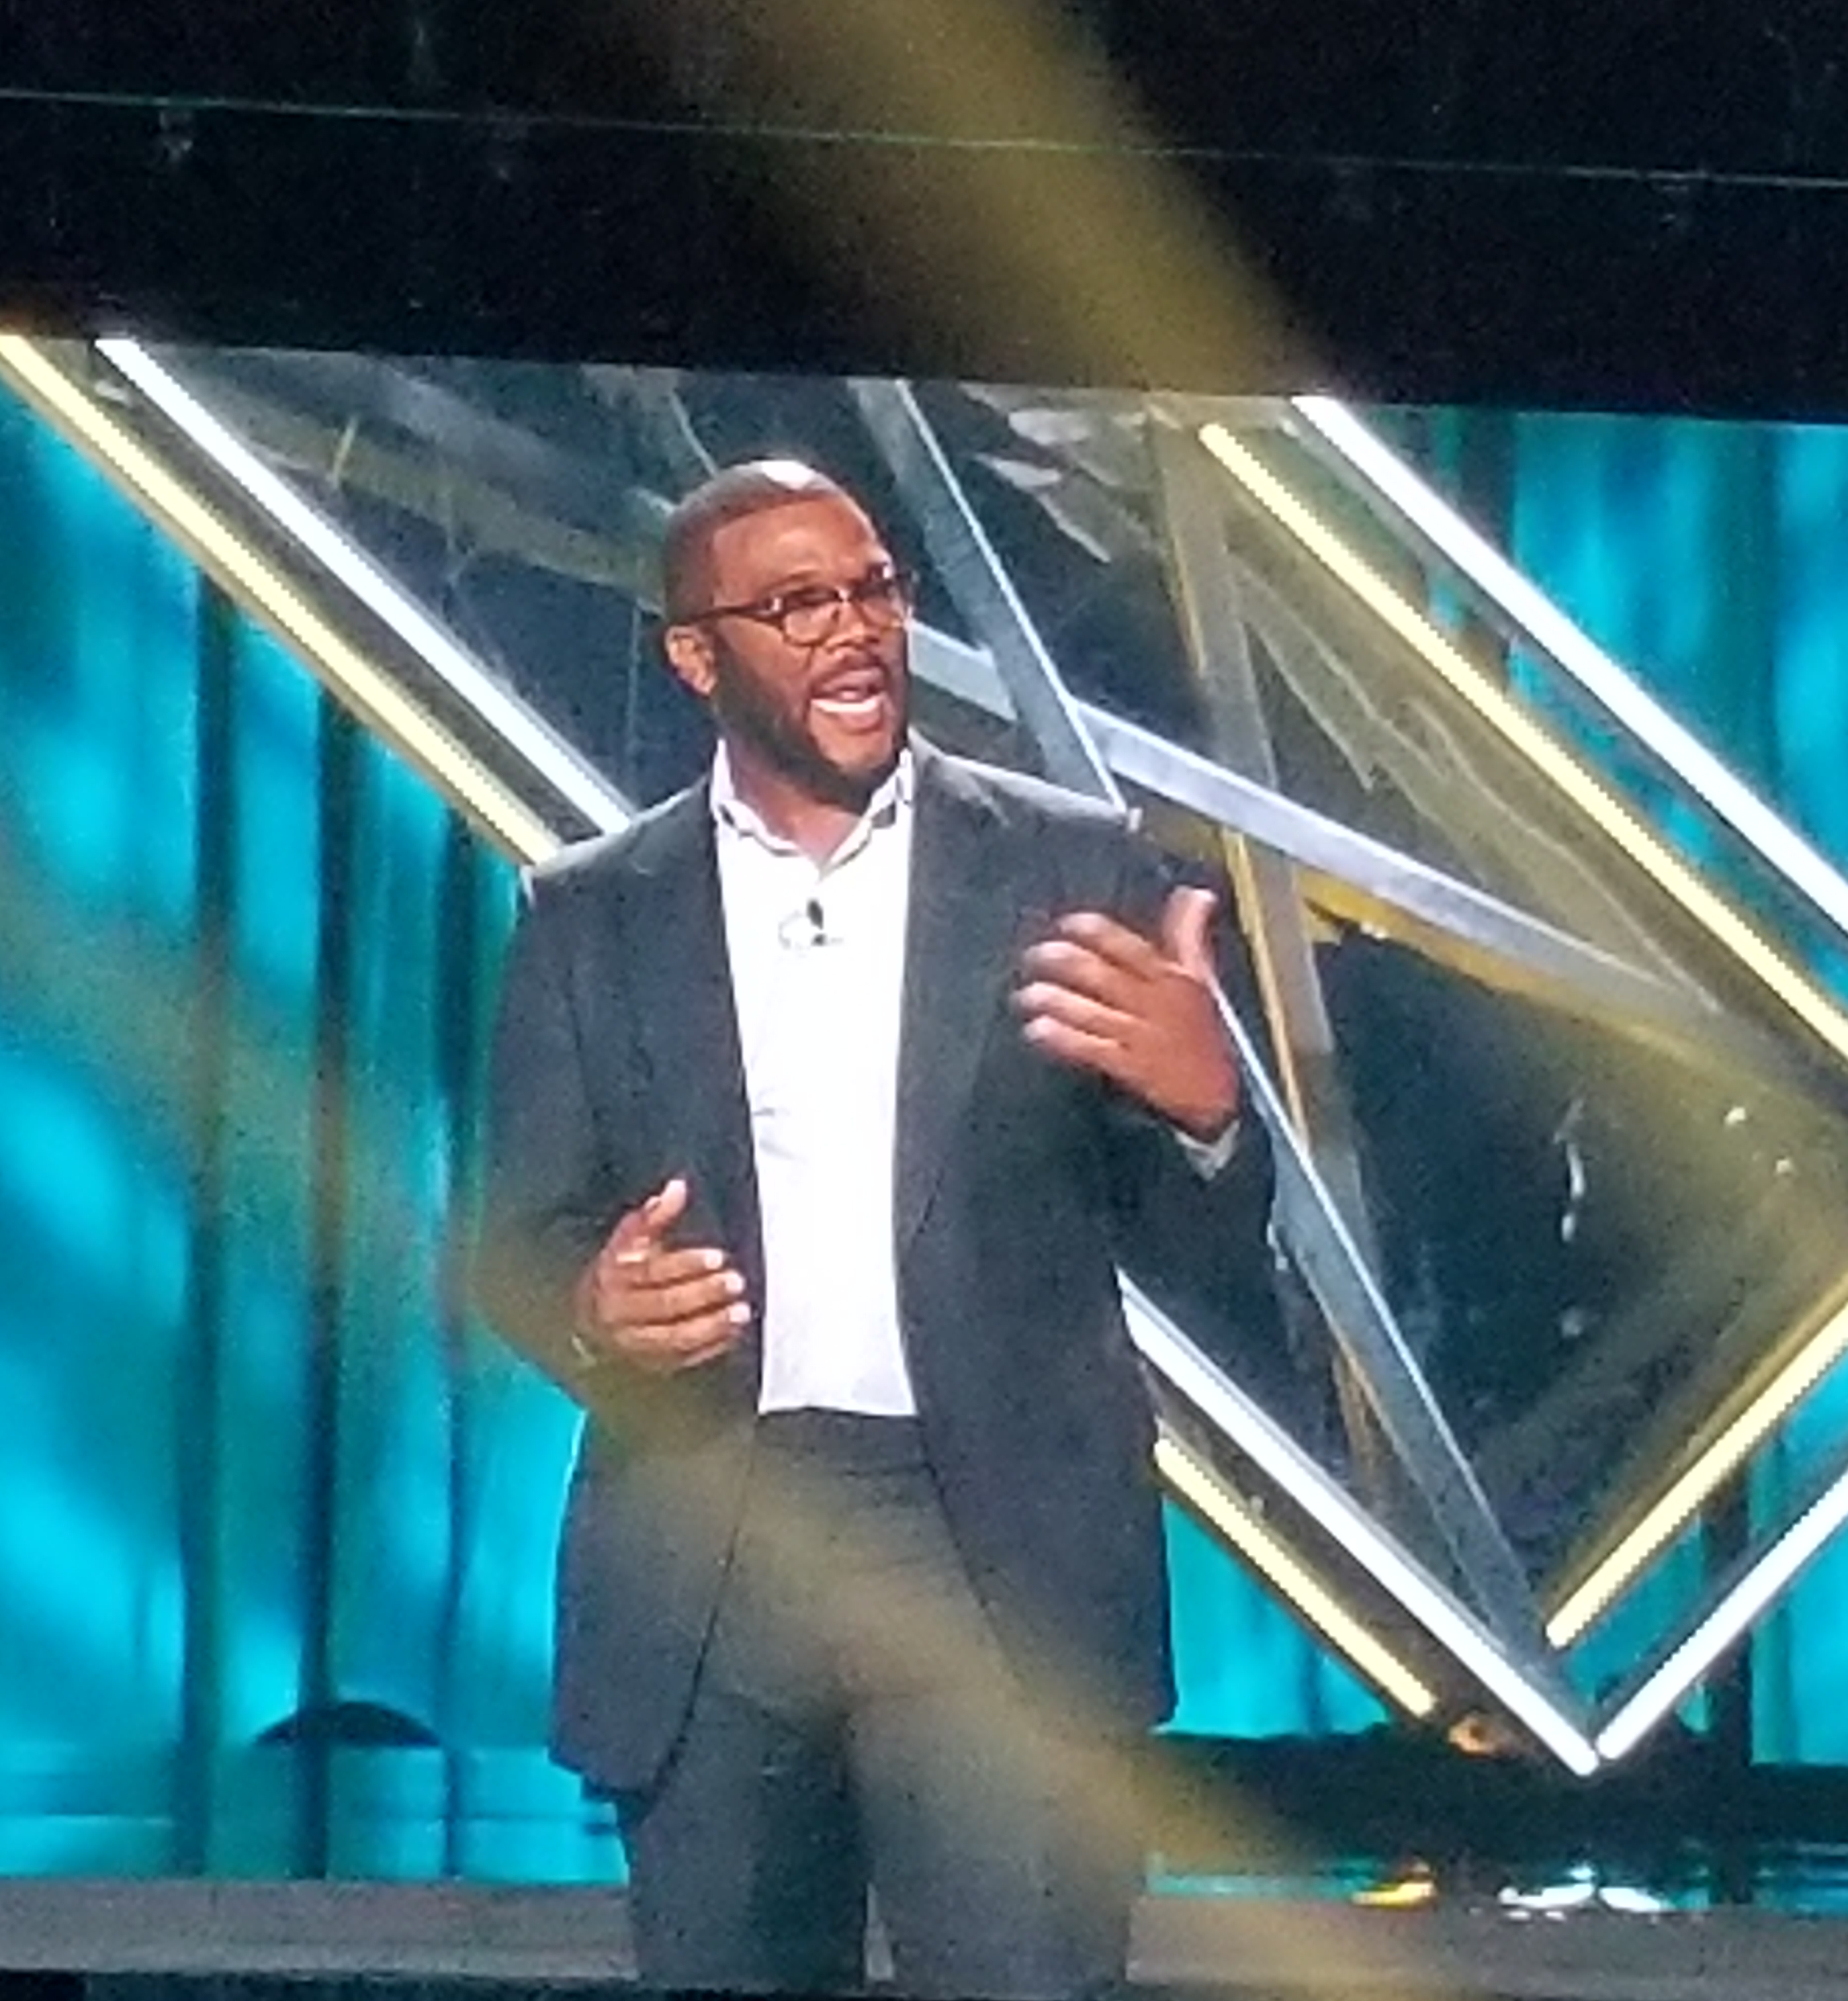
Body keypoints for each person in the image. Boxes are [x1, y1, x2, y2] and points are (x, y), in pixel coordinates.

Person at [471, 458, 1276, 1996]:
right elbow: (522, 1244)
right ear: (696, 656)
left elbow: (1213, 1262)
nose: (853, 631)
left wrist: (1207, 1112)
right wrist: (591, 1309)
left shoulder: (1069, 865)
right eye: (795, 605)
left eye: (873, 590)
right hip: (714, 1545)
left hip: (997, 1559)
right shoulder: (592, 910)